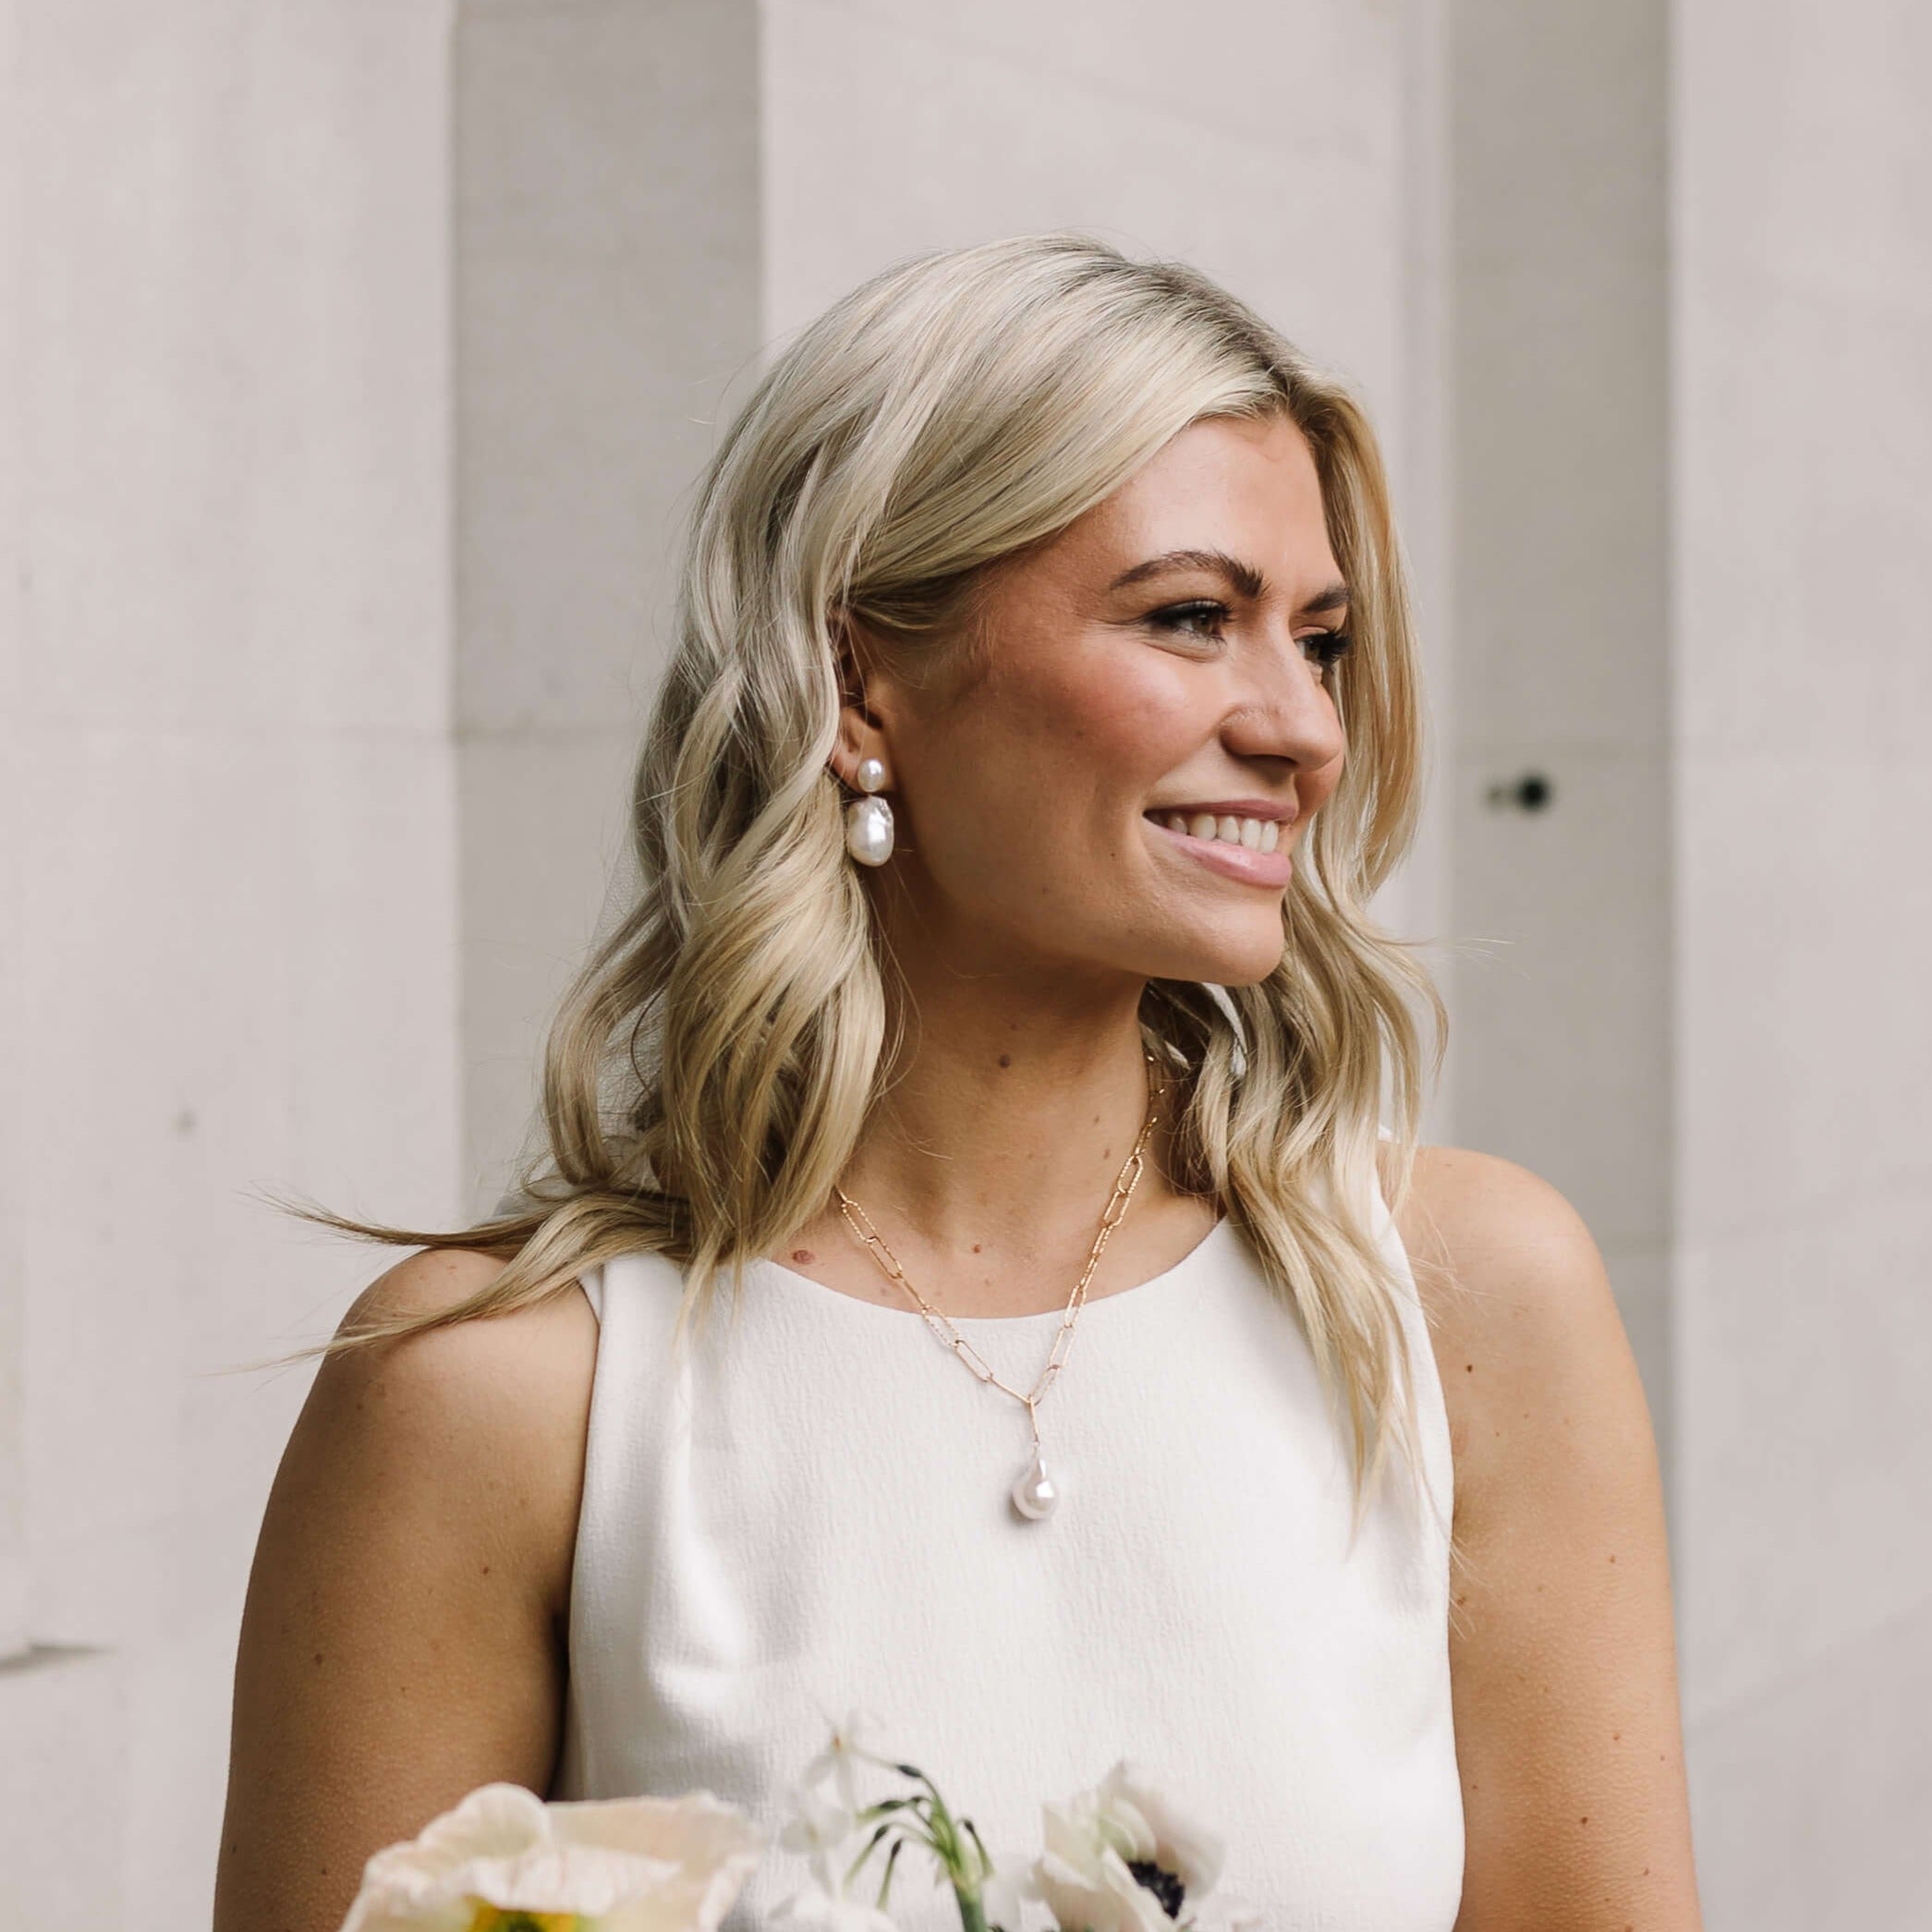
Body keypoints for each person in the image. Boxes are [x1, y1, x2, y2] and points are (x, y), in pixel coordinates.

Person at [213, 232, 1703, 1931]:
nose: (1303, 726)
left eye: (1325, 640)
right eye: (1195, 619)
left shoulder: (1462, 1303)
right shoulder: (501, 1396)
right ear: (861, 682)